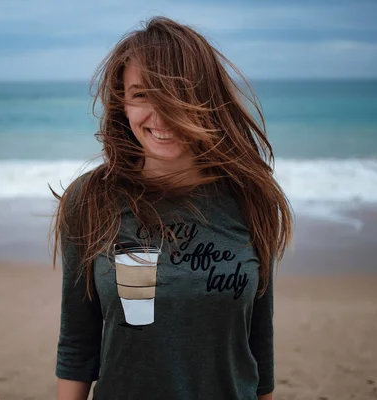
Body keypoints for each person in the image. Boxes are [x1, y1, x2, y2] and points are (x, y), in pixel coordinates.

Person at [51, 16, 292, 400]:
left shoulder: (251, 197)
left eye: (177, 93)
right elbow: (78, 344)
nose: (160, 115)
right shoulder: (91, 199)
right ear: (123, 104)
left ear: (208, 98)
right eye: (142, 94)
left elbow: (258, 346)